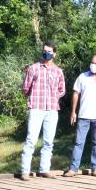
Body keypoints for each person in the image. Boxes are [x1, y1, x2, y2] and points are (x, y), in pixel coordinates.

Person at [62, 54, 96, 178]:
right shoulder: (82, 77)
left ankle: (95, 168)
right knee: (79, 143)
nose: (93, 65)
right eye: (92, 62)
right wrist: (73, 111)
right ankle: (73, 169)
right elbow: (76, 94)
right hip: (83, 116)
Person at [20, 41, 66, 181]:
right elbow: (25, 88)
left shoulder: (58, 71)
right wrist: (34, 98)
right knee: (31, 140)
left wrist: (53, 97)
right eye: (45, 50)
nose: (46, 53)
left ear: (54, 54)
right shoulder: (33, 68)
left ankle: (44, 169)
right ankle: (25, 171)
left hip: (52, 109)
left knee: (48, 141)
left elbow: (62, 90)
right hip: (36, 108)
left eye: (50, 51)